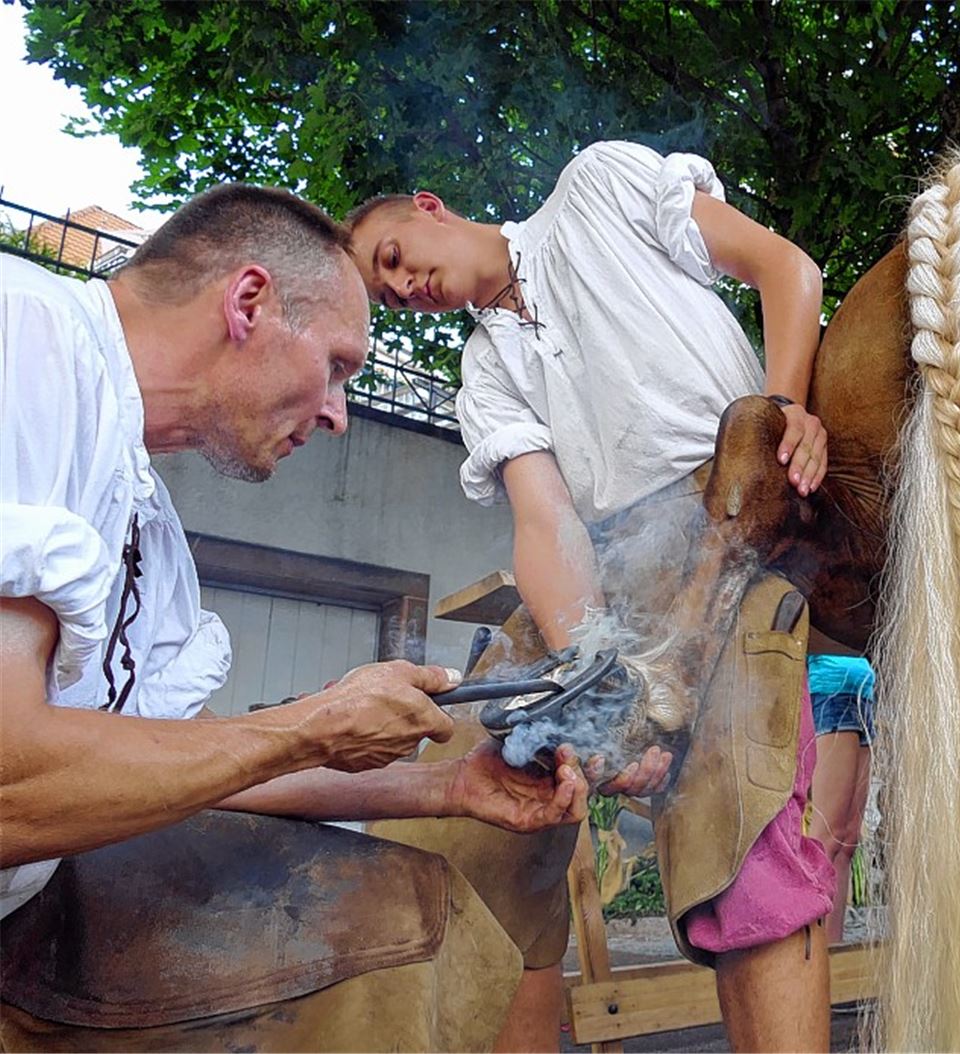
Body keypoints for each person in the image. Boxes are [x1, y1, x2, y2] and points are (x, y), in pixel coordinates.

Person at [0, 184, 587, 1052]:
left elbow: (189, 764)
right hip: (30, 911)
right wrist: (311, 726)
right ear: (249, 303)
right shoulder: (29, 340)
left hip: (29, 910)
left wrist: (444, 787)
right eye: (340, 366)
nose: (338, 415)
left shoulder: (150, 530)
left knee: (400, 914)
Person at [348, 140, 836, 1052]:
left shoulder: (597, 185)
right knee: (465, 828)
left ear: (428, 205)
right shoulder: (484, 376)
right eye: (387, 294)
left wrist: (779, 415)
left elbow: (785, 267)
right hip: (609, 575)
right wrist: (600, 687)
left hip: (733, 507)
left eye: (391, 257)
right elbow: (547, 524)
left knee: (740, 825)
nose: (404, 285)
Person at [806, 651, 876, 944]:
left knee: (848, 840)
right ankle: (810, 947)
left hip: (863, 692)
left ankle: (832, 947)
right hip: (830, 688)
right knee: (826, 837)